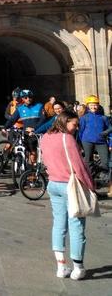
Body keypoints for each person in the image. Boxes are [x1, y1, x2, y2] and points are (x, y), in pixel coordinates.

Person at [40, 111, 95, 280]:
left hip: (53, 184)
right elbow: (79, 166)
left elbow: (44, 160)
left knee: (59, 224)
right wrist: (91, 186)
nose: (76, 128)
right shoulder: (67, 138)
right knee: (76, 225)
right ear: (65, 122)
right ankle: (78, 268)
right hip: (69, 185)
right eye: (74, 124)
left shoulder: (45, 138)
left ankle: (61, 266)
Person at [78, 95, 110, 184]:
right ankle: (90, 179)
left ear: (98, 105)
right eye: (91, 105)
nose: (93, 107)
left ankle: (96, 174)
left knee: (105, 163)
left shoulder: (104, 118)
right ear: (88, 106)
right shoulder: (84, 118)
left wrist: (110, 143)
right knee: (88, 161)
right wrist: (81, 143)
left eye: (95, 104)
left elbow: (110, 130)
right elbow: (81, 131)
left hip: (101, 142)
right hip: (87, 141)